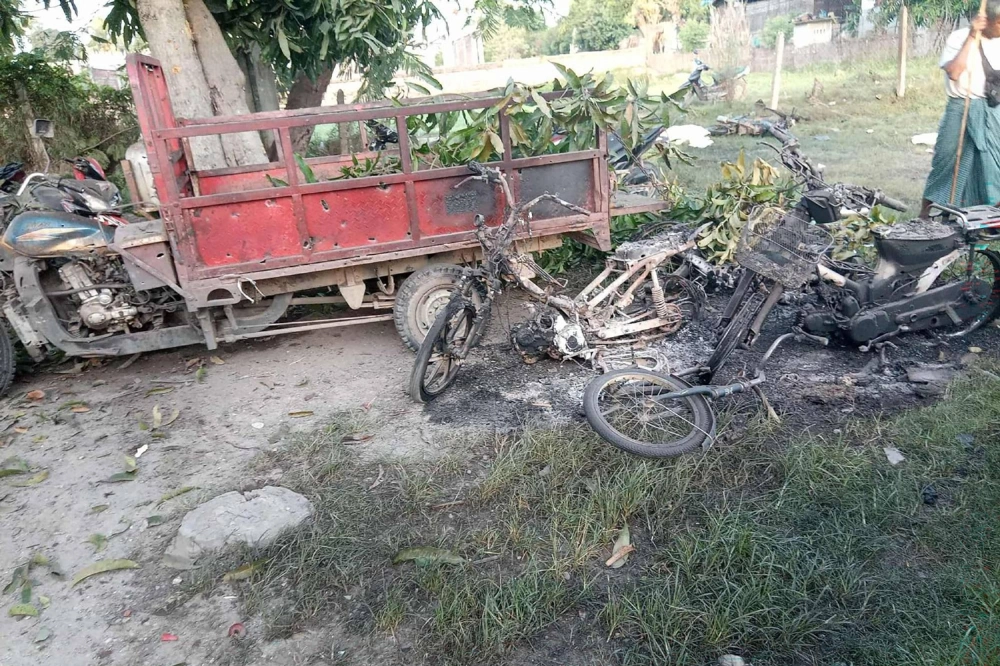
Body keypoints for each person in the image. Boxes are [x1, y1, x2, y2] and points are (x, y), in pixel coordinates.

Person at [921, 3, 1000, 217]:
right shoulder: (959, 37)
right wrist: (972, 37)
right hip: (961, 107)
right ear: (987, 21)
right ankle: (925, 217)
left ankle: (988, 218)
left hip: (993, 110)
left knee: (993, 166)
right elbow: (954, 72)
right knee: (946, 162)